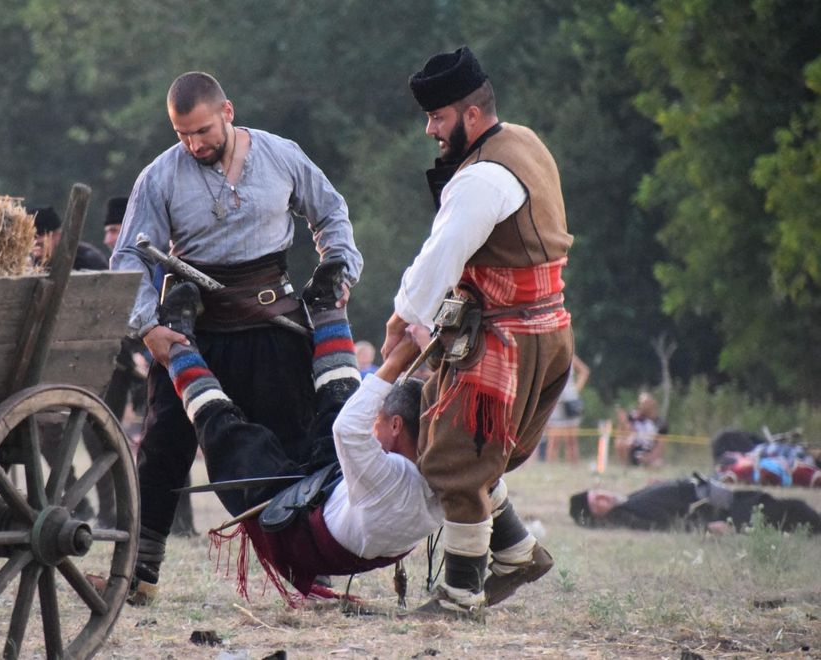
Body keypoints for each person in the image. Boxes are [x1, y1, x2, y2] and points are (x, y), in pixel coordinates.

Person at [110, 71, 363, 594]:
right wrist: (149, 327)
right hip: (192, 332)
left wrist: (339, 266)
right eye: (182, 134)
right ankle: (138, 575)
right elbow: (130, 257)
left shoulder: (280, 155)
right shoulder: (159, 176)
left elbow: (331, 212)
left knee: (293, 450)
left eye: (201, 130)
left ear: (228, 111)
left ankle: (306, 574)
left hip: (273, 329)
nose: (193, 144)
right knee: (160, 450)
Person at [155, 276, 551, 605]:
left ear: (395, 426)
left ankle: (176, 341)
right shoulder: (458, 473)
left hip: (296, 536)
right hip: (341, 500)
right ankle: (327, 308)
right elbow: (442, 419)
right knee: (337, 409)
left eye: (380, 423)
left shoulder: (388, 472)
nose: (373, 428)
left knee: (225, 428)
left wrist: (400, 358)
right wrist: (438, 356)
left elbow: (349, 428)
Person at [380, 46, 574, 618]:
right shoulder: (525, 143)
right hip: (545, 330)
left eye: (437, 119)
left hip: (504, 340)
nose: (429, 131)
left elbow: (440, 259)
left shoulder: (481, 178)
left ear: (469, 115)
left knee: (453, 462)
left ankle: (461, 595)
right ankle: (516, 555)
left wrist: (399, 319)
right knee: (468, 452)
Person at [569, 475, 821, 535]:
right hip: (722, 512)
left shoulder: (632, 498)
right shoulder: (626, 515)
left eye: (598, 494)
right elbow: (667, 525)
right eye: (598, 504)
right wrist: (706, 527)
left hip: (722, 496)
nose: (604, 498)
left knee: (790, 507)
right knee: (794, 511)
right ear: (599, 517)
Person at [28, 205, 108, 271]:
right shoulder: (28, 262)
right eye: (31, 247)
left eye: (40, 245)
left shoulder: (87, 260)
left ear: (58, 236)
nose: (36, 253)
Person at [544, 354, 590, 463]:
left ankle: (573, 467)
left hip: (570, 402)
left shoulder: (570, 356)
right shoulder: (550, 356)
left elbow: (584, 372)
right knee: (553, 440)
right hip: (556, 402)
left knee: (572, 440)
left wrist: (575, 390)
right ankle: (550, 468)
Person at [614, 391, 664, 467]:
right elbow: (624, 430)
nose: (643, 406)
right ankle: (625, 465)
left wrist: (649, 458)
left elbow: (660, 445)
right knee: (620, 442)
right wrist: (623, 422)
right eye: (642, 403)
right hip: (633, 448)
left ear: (652, 404)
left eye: (646, 403)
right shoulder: (633, 416)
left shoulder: (659, 422)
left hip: (648, 451)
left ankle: (646, 465)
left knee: (658, 464)